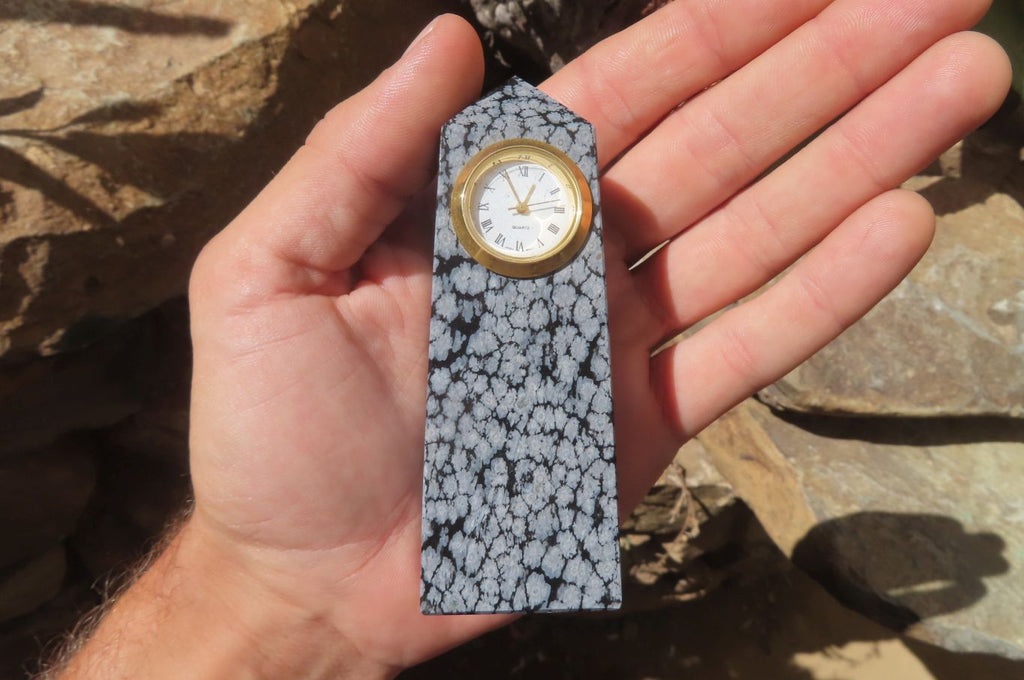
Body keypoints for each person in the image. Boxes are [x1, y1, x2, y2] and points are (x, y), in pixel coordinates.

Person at [45, 3, 1009, 678]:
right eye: (506, 202)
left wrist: (269, 610)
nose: (518, 205)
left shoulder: (546, 195)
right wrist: (273, 592)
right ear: (477, 205)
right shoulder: (500, 193)